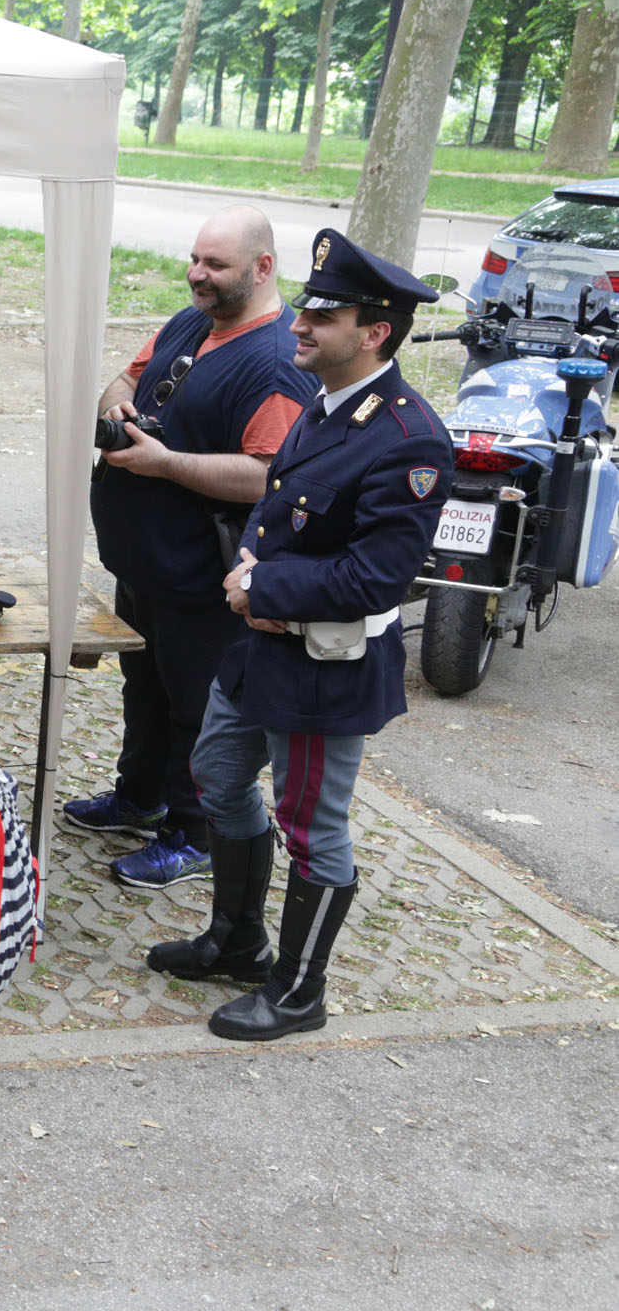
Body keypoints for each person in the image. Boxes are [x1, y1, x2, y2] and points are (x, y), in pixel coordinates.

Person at [150, 230, 451, 1043]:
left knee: (313, 826)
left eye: (325, 315)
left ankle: (296, 990)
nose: (302, 326)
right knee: (215, 772)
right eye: (306, 308)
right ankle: (238, 941)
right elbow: (279, 501)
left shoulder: (409, 438)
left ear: (375, 331)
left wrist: (260, 583)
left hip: (326, 667)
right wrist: (251, 551)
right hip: (260, 649)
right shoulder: (324, 403)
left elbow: (377, 579)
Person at [66, 206, 314, 891]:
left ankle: (194, 832)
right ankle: (138, 796)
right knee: (143, 687)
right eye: (196, 260)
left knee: (195, 706)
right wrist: (120, 407)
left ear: (262, 268)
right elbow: (126, 376)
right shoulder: (193, 320)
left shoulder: (273, 363)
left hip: (203, 576)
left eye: (215, 266)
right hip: (147, 563)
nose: (197, 275)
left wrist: (167, 462)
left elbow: (269, 473)